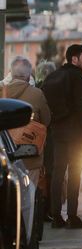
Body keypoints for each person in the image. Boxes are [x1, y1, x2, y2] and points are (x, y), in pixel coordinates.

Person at [43, 44, 82, 229]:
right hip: (77, 133)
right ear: (74, 59)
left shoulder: (53, 77)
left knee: (57, 172)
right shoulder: (80, 77)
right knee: (75, 174)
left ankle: (56, 215)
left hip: (58, 131)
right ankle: (72, 215)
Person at [3, 56, 51, 186]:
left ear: (11, 73)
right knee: (28, 199)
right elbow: (46, 121)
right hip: (30, 155)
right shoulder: (37, 94)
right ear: (29, 74)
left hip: (5, 155)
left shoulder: (1, 92)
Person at [35, 60, 58, 222]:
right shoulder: (56, 90)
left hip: (35, 136)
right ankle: (49, 209)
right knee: (50, 173)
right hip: (50, 136)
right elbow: (49, 117)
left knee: (40, 173)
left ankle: (40, 209)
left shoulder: (36, 89)